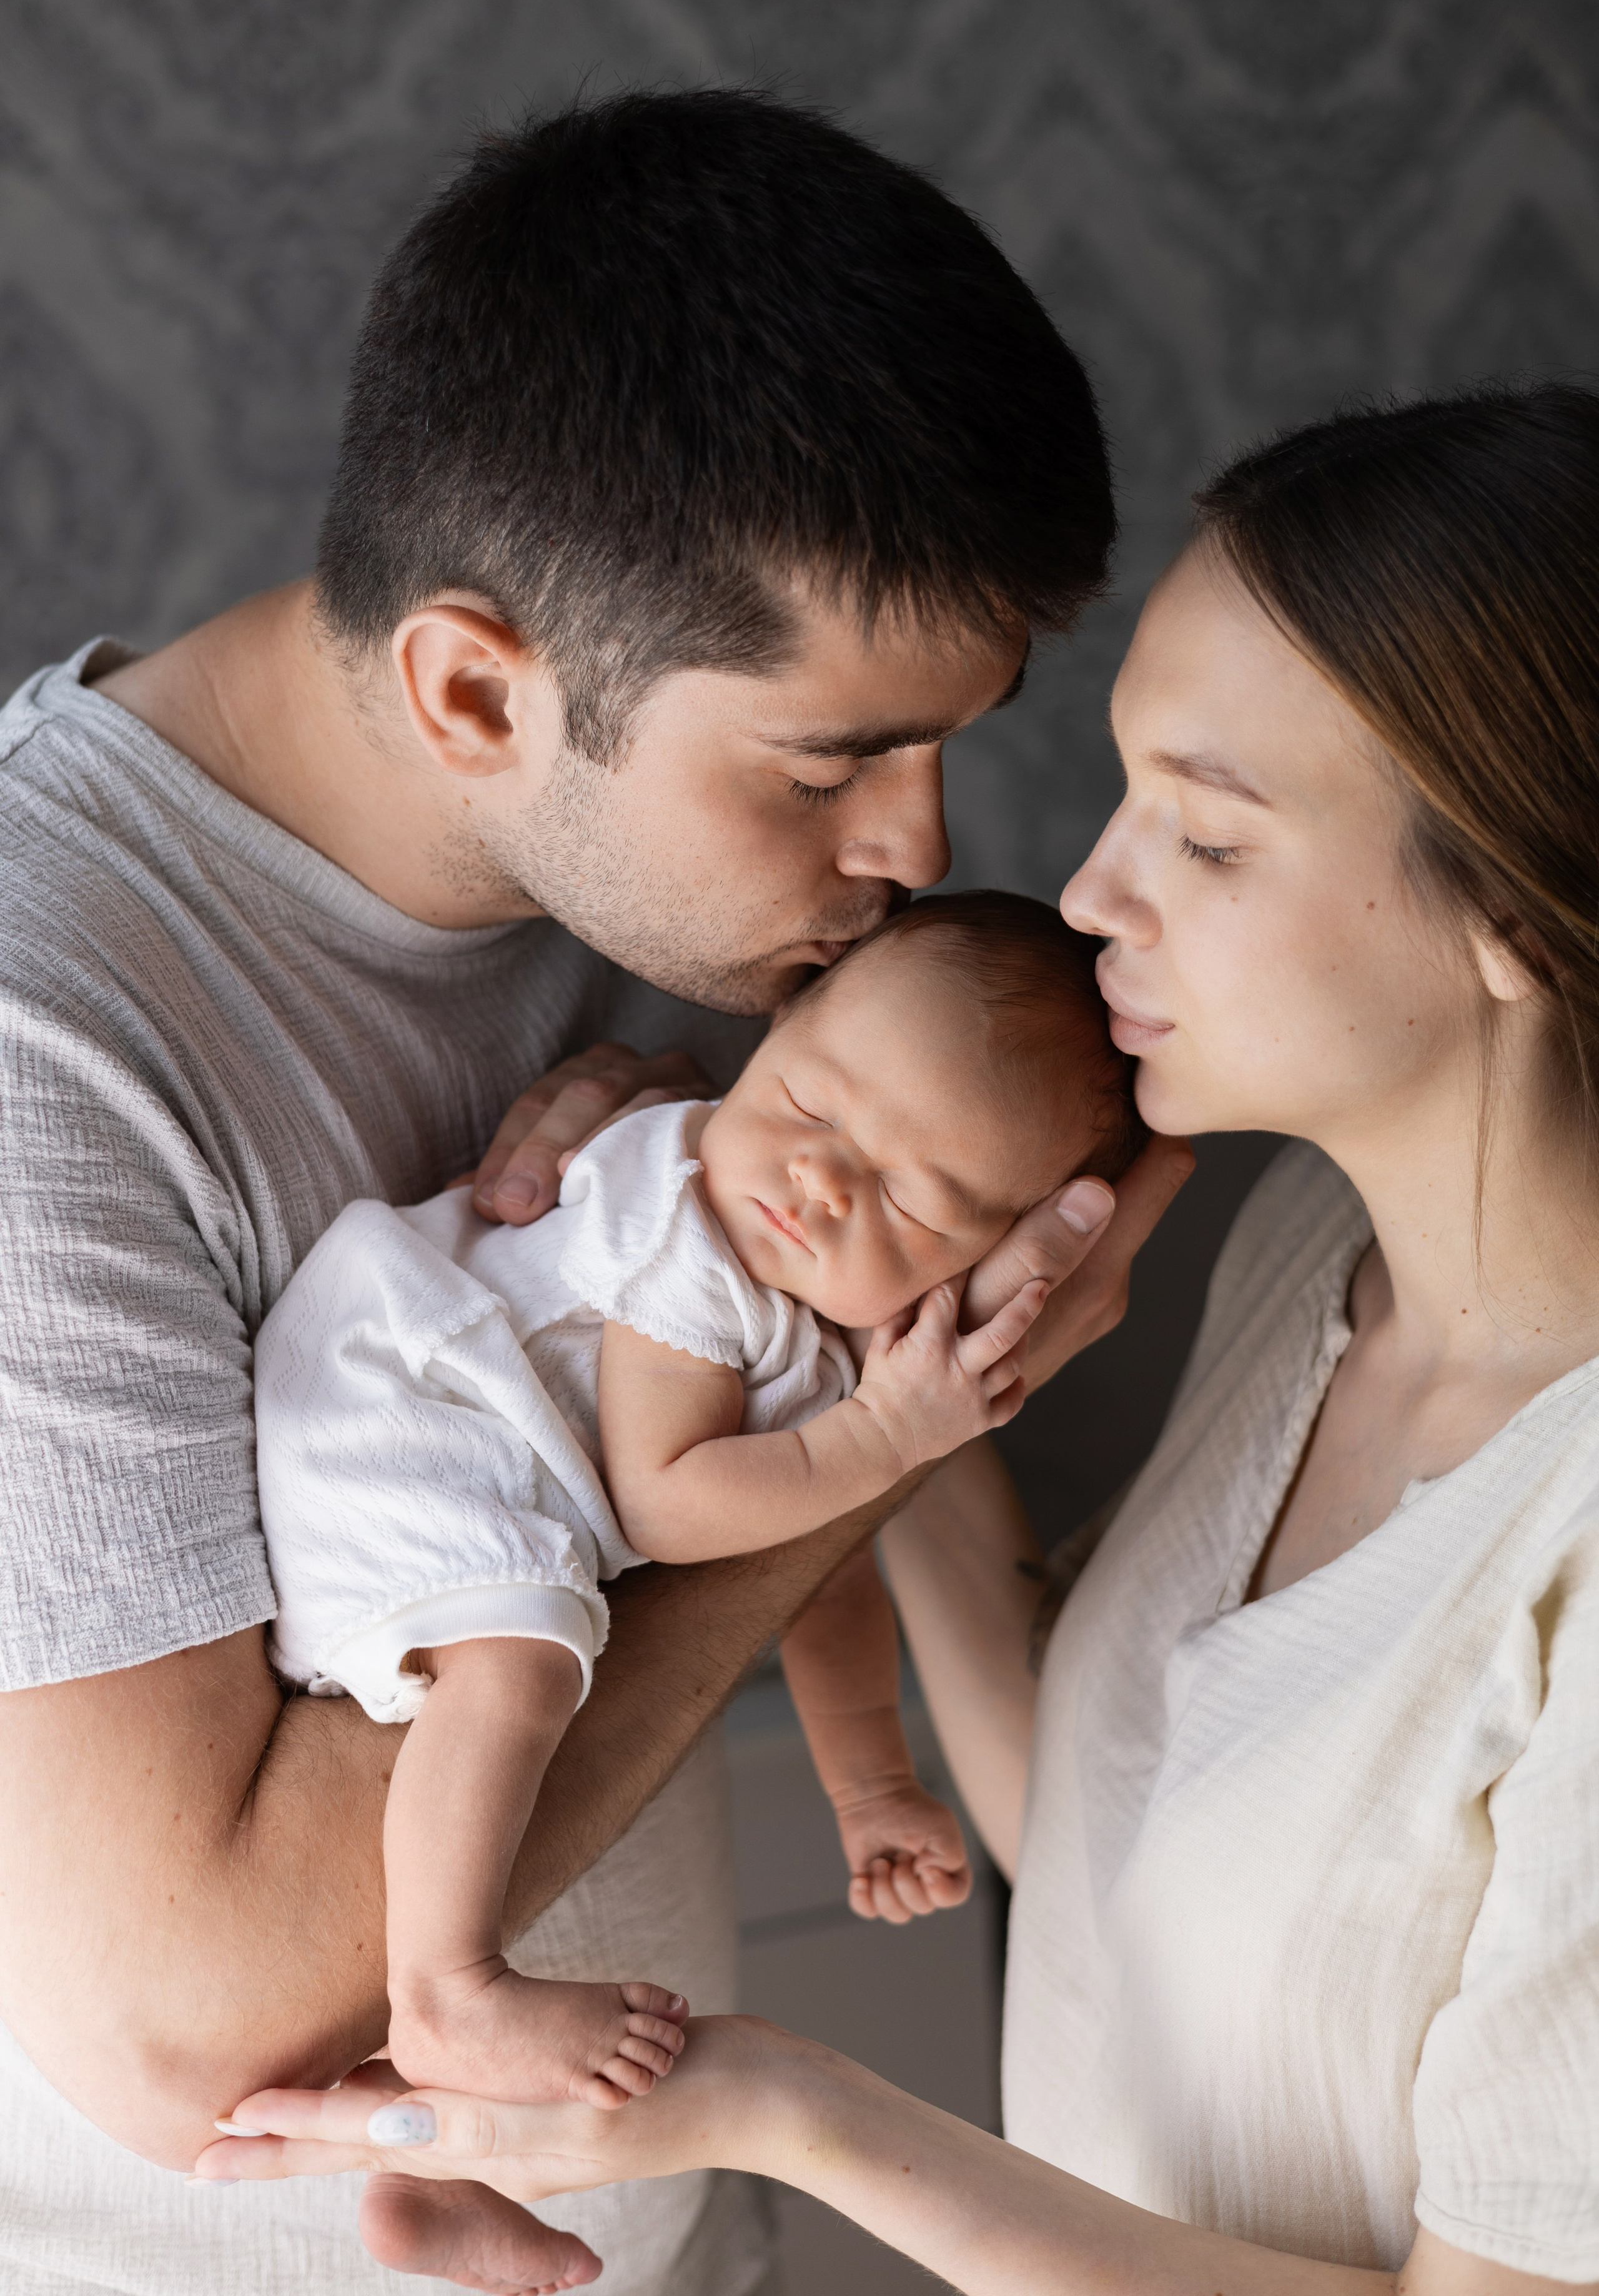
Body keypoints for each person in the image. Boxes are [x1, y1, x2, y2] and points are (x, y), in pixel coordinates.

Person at [210, 387, 1599, 2294]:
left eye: (1202, 837)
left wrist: (779, 2107)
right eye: (1124, 795)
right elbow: (1094, 1820)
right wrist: (820, 1311)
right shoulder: (1307, 1261)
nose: (1087, 892)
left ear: (1515, 916)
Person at [0, 86, 1190, 2296]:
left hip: (653, 2230)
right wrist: (897, 1420)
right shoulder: (45, 1041)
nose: (921, 850)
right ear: (478, 687)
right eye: (834, 762)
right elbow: (192, 2017)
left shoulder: (698, 922)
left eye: (947, 741)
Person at [256, 892, 1141, 2292]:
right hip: (397, 1403)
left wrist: (870, 1788)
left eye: (913, 1202)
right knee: (520, 1679)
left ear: (988, 1263)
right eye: (808, 1103)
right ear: (772, 1028)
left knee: (471, 1817)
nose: (822, 1181)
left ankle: (427, 2177)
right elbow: (672, 1500)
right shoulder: (690, 1227)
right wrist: (889, 1439)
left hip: (476, 1488)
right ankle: (445, 1998)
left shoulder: (838, 1349)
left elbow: (811, 1565)